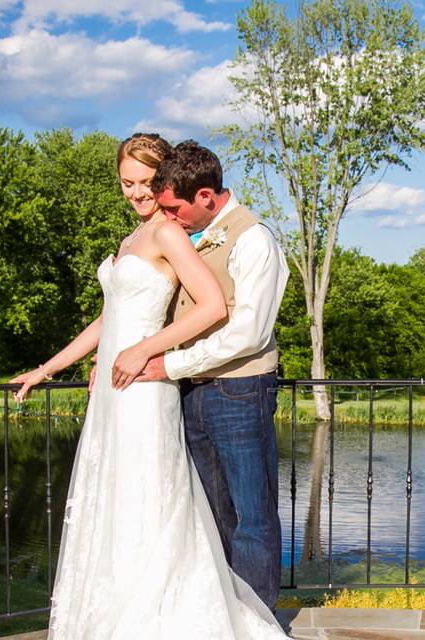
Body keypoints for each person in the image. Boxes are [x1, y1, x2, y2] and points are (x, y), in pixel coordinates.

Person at [11, 134, 288, 639]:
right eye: (127, 183)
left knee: (161, 498)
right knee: (122, 498)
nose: (136, 193)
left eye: (146, 183)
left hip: (151, 385)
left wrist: (144, 351)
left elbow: (215, 307)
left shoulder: (171, 234)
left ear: (164, 182)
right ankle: (119, 604)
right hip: (118, 392)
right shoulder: (129, 241)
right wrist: (46, 369)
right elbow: (108, 318)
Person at [133, 140, 289, 611]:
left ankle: (258, 621)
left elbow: (248, 332)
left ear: (205, 196)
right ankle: (225, 617)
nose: (170, 218)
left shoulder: (255, 238)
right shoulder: (194, 234)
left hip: (240, 390)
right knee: (211, 514)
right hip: (193, 395)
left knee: (252, 517)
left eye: (174, 207)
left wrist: (171, 364)